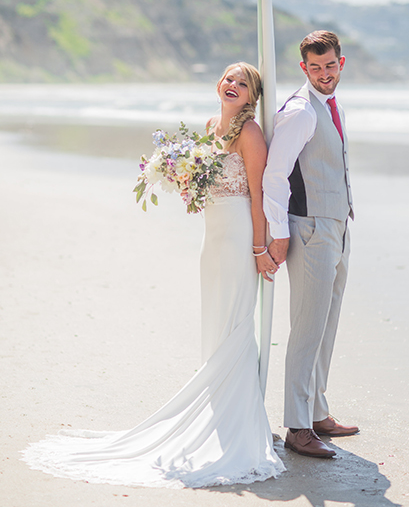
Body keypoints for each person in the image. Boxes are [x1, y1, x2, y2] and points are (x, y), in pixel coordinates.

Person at [23, 62, 285, 488]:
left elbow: (258, 196)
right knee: (216, 321)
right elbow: (207, 184)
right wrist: (186, 180)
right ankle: (218, 409)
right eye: (229, 78)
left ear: (253, 95)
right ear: (219, 84)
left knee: (237, 322)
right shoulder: (208, 125)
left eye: (243, 82)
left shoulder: (251, 134)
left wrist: (260, 248)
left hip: (238, 234)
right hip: (212, 235)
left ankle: (239, 418)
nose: (233, 85)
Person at [263, 31, 358, 459]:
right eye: (315, 68)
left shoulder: (328, 105)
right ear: (304, 68)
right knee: (306, 329)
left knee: (327, 325)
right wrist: (278, 232)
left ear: (341, 63)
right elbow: (274, 175)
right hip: (311, 230)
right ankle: (297, 427)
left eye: (330, 66)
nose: (324, 74)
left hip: (337, 226)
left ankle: (317, 410)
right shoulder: (301, 111)